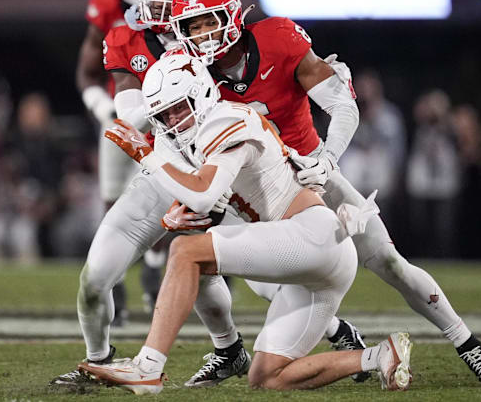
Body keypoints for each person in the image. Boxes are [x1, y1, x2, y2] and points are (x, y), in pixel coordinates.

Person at [168, 0, 481, 385]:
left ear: (230, 15)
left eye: (205, 21)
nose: (200, 34)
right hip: (259, 193)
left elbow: (343, 107)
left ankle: (469, 345)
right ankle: (335, 332)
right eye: (191, 27)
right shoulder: (190, 74)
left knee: (391, 264)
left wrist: (327, 160)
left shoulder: (279, 38)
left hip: (312, 175)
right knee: (265, 282)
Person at [79, 54, 411, 394]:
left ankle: (148, 368)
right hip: (311, 256)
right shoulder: (200, 138)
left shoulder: (226, 120)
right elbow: (206, 205)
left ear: (202, 94)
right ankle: (380, 356)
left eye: (179, 107)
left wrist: (144, 153)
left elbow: (205, 194)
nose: (173, 120)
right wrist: (170, 216)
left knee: (185, 251)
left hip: (313, 234)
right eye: (164, 114)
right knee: (268, 377)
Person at [50, 0, 254, 389]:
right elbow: (129, 119)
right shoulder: (125, 38)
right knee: (94, 280)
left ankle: (316, 333)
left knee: (260, 275)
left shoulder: (208, 26)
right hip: (163, 168)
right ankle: (99, 361)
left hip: (222, 166)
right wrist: (173, 80)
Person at [77, 0, 135, 326]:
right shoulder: (108, 11)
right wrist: (105, 110)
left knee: (174, 201)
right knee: (112, 203)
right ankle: (114, 284)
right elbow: (86, 74)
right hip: (119, 118)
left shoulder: (177, 11)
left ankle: (157, 275)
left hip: (167, 120)